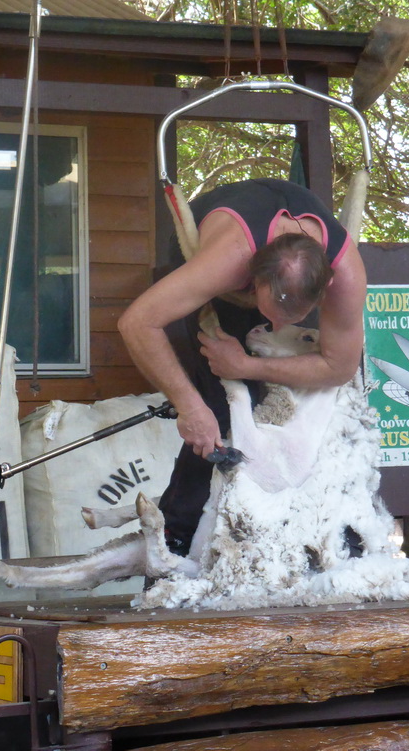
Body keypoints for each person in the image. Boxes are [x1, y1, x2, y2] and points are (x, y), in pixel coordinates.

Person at [117, 178, 368, 554]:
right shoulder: (227, 260)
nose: (277, 328)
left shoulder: (345, 274)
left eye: (292, 317)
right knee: (222, 409)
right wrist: (190, 406)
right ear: (253, 283)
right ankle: (177, 536)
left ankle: (323, 534)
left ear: (326, 287)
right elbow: (136, 323)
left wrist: (248, 365)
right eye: (269, 315)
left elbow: (339, 368)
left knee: (310, 400)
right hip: (212, 247)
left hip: (283, 273)